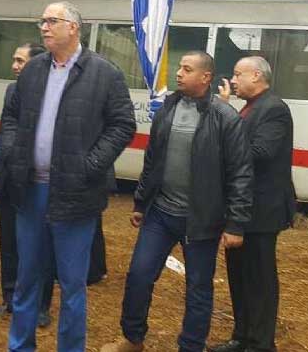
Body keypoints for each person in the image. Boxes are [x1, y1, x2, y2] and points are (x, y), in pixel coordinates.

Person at [2, 2, 136, 352]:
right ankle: (20, 346)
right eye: (42, 21)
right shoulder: (33, 70)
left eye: (52, 21)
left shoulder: (104, 73)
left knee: (72, 284)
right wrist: (16, 152)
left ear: (73, 27)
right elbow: (12, 117)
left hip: (76, 195)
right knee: (27, 279)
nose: (44, 27)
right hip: (31, 191)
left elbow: (123, 125)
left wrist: (89, 166)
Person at [101, 51, 253, 352]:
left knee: (198, 288)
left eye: (187, 69)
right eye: (180, 68)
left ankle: (191, 346)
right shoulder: (168, 107)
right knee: (139, 275)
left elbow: (241, 173)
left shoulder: (225, 117)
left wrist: (236, 223)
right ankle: (132, 338)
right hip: (160, 214)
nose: (179, 73)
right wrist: (141, 203)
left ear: (205, 77)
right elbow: (153, 160)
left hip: (201, 220)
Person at [208, 57, 296, 352]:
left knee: (259, 279)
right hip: (240, 208)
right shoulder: (249, 108)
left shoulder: (274, 109)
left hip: (262, 210)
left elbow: (260, 152)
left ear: (256, 75)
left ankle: (260, 343)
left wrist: (224, 125)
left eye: (238, 75)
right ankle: (242, 337)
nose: (233, 81)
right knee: (239, 276)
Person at [0, 42, 56, 327]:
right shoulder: (12, 91)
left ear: (36, 64)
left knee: (41, 245)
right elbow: (3, 134)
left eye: (20, 61)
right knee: (9, 242)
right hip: (10, 180)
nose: (14, 66)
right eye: (14, 59)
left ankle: (41, 306)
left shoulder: (54, 91)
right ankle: (10, 299)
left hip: (39, 183)